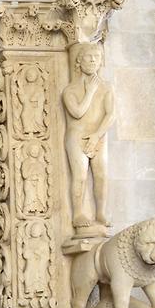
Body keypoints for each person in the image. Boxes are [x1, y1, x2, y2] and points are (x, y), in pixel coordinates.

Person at [62, 42, 114, 229]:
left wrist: (97, 135)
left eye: (97, 57)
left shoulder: (107, 87)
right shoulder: (70, 90)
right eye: (88, 56)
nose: (93, 60)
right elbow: (77, 112)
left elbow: (111, 114)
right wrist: (90, 92)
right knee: (81, 175)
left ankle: (100, 212)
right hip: (76, 136)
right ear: (79, 61)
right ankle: (78, 213)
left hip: (98, 135)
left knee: (101, 174)